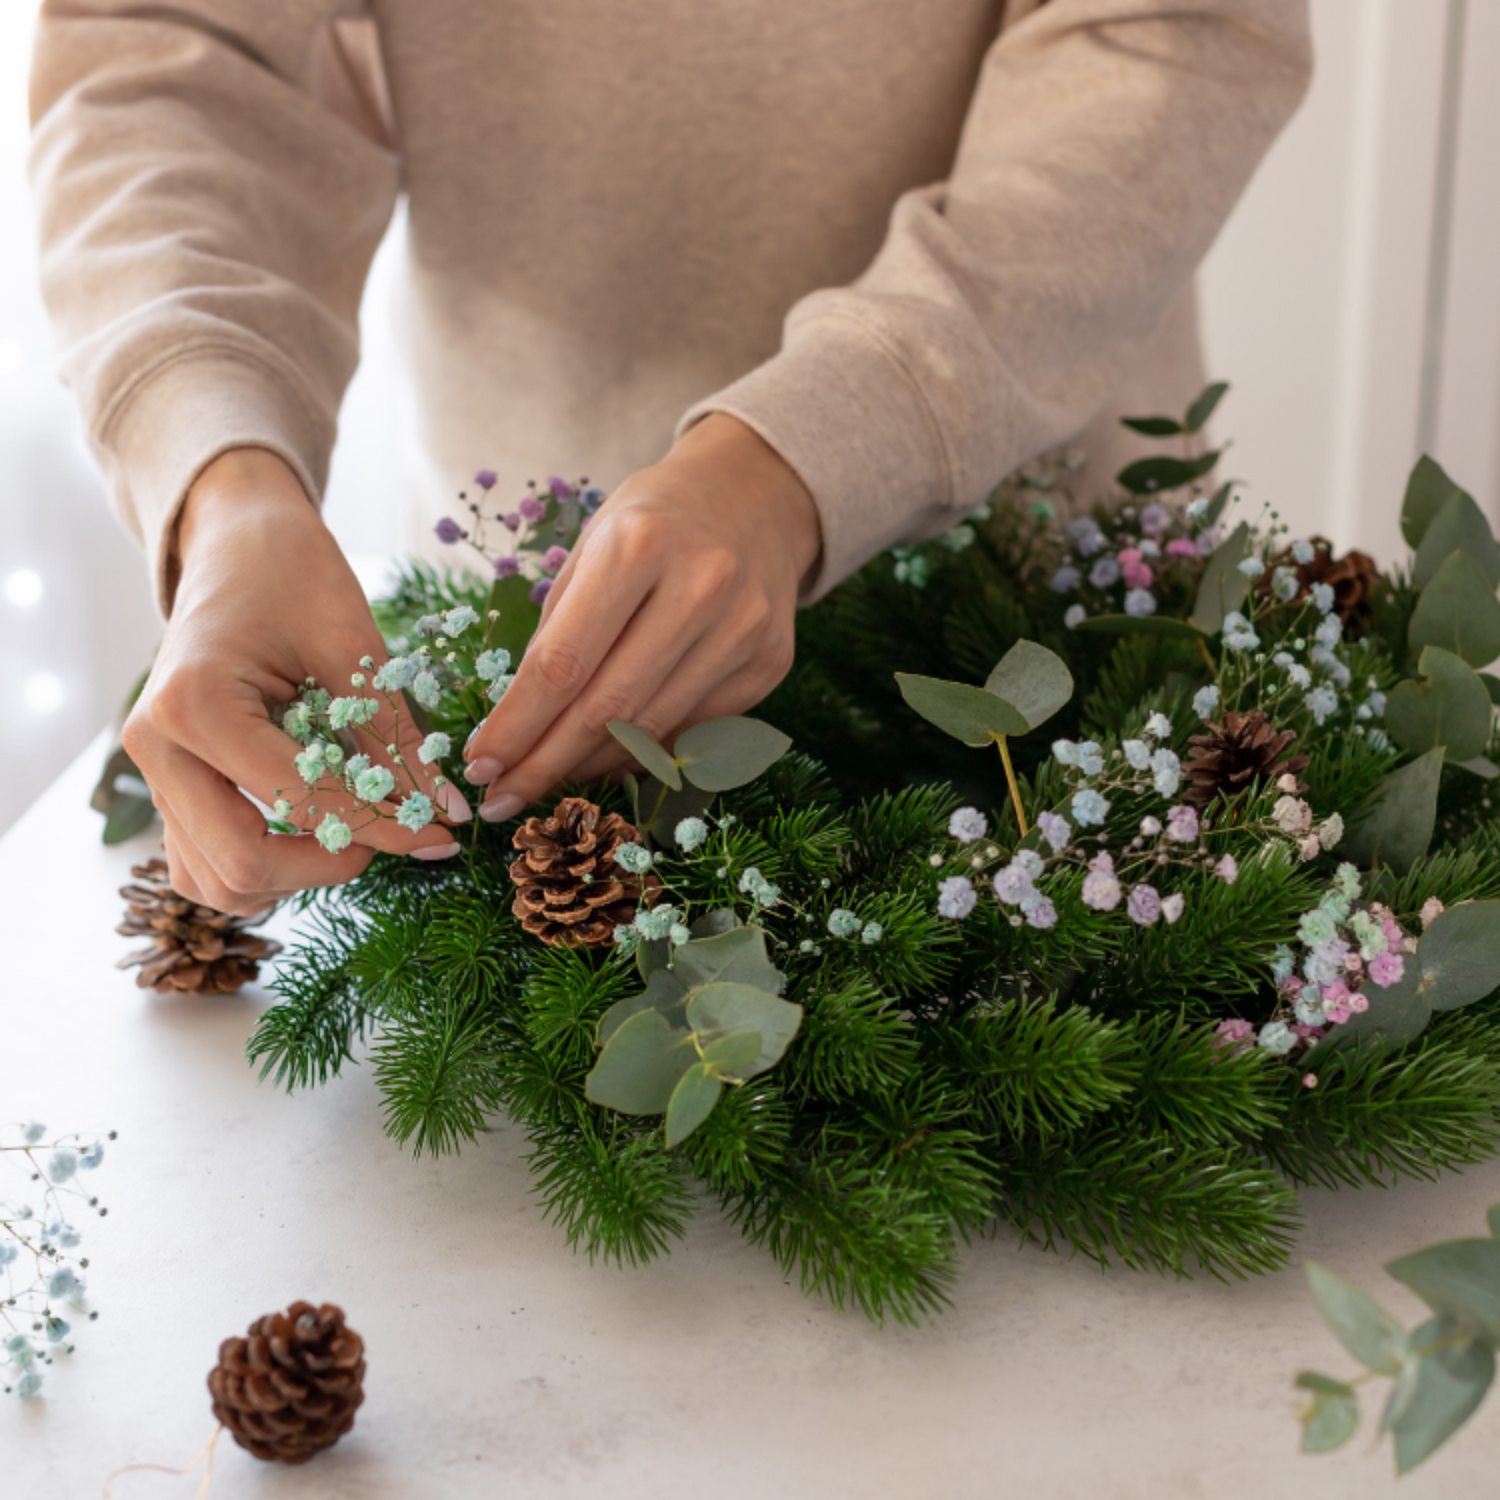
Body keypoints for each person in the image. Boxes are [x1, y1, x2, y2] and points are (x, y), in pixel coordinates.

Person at [29, 0, 1312, 915]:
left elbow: (1169, 32)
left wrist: (816, 443)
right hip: (532, 649)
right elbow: (169, 54)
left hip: (1042, 634)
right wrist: (225, 483)